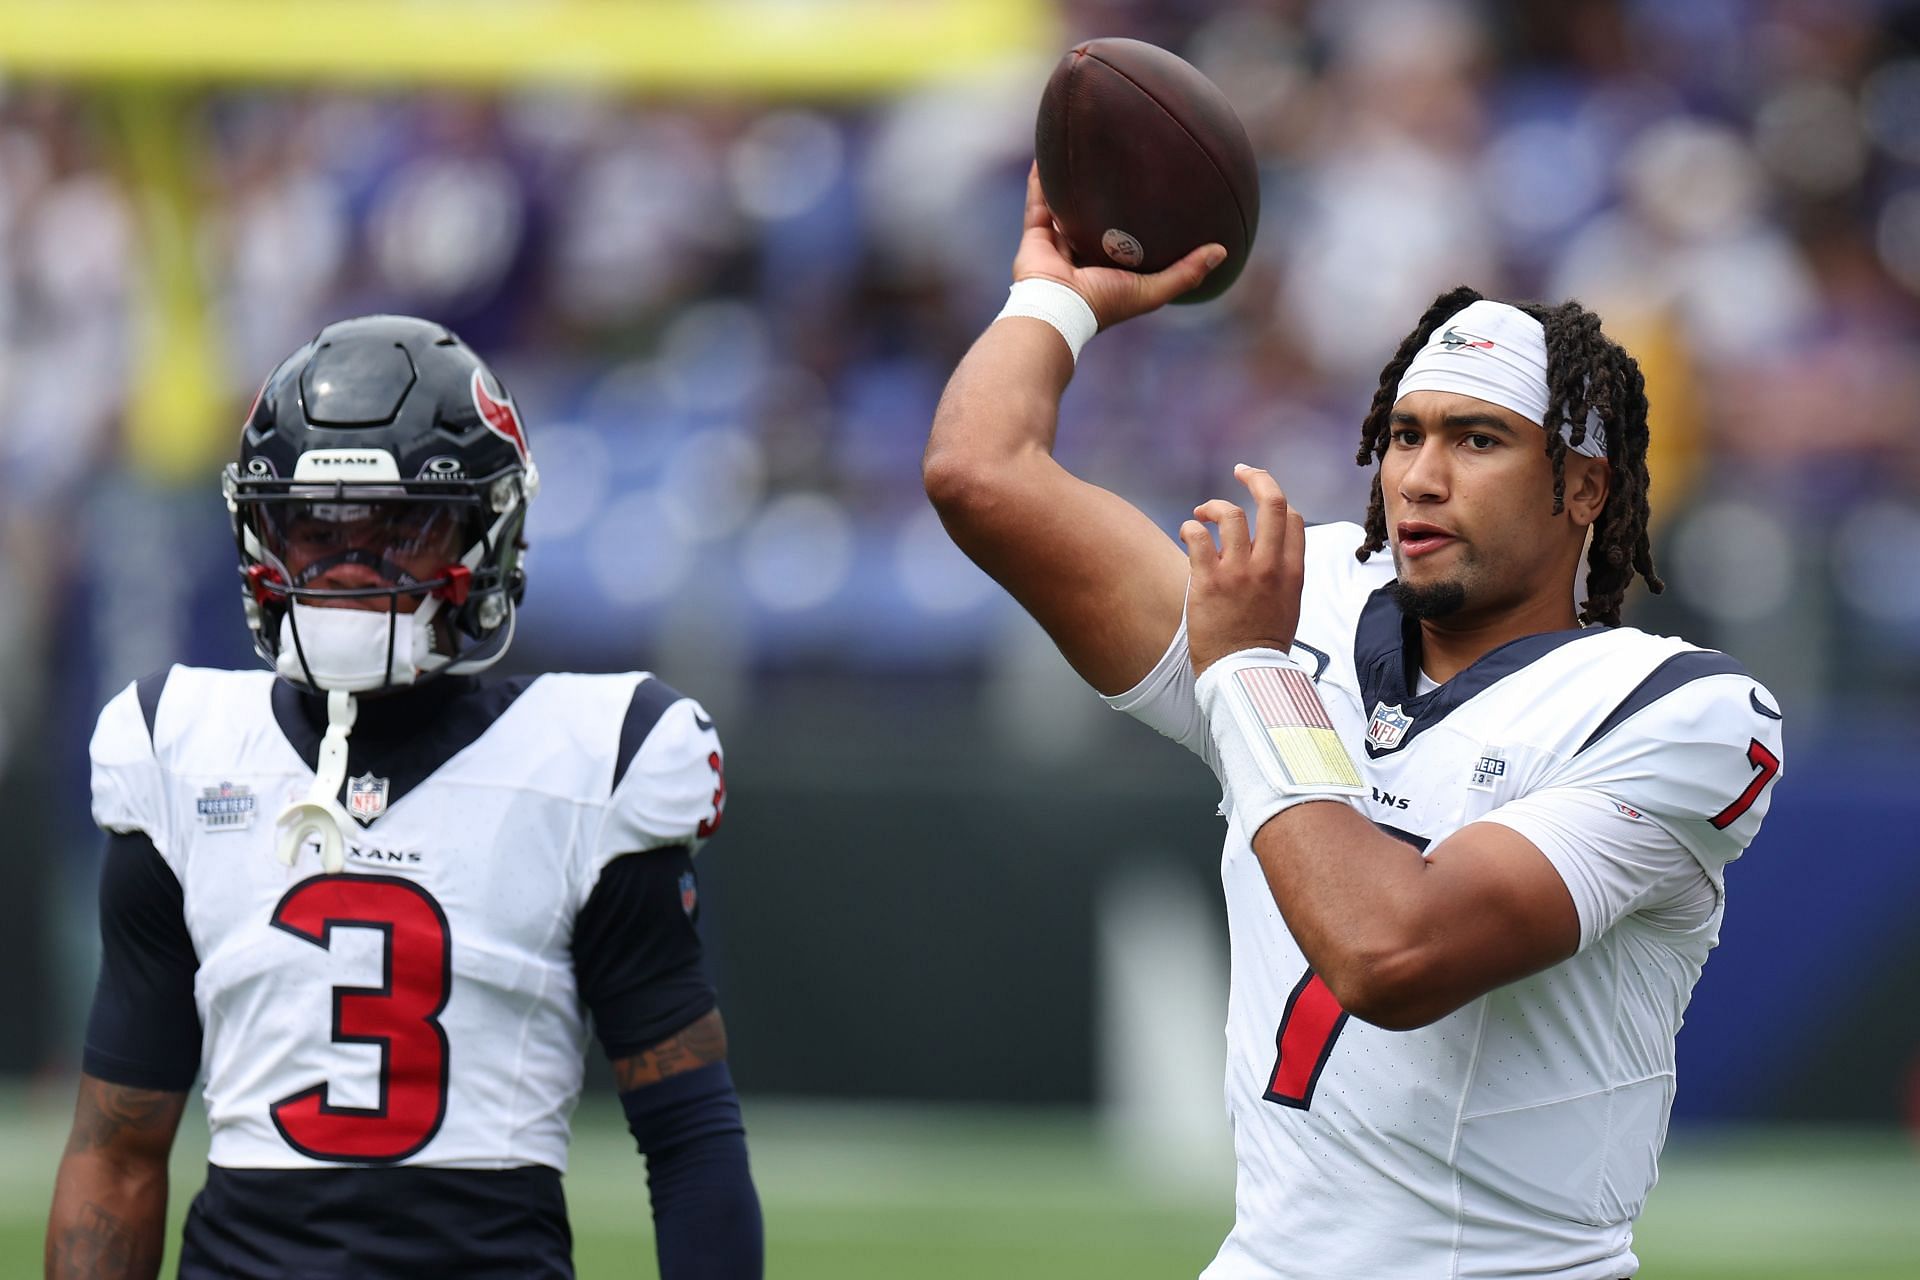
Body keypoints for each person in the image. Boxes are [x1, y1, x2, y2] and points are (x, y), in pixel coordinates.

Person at [923, 168, 1785, 1279]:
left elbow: (1392, 954)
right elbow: (980, 475)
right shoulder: (1312, 594)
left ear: (1582, 488)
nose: (1420, 477)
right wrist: (1052, 298)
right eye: (1407, 433)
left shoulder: (1681, 709)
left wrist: (1249, 675)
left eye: (1478, 440)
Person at [46, 316, 763, 1280]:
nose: (350, 567)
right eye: (316, 529)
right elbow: (119, 1152)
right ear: (261, 534)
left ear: (487, 534)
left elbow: (689, 1143)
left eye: (399, 531)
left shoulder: (594, 759)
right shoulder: (178, 747)